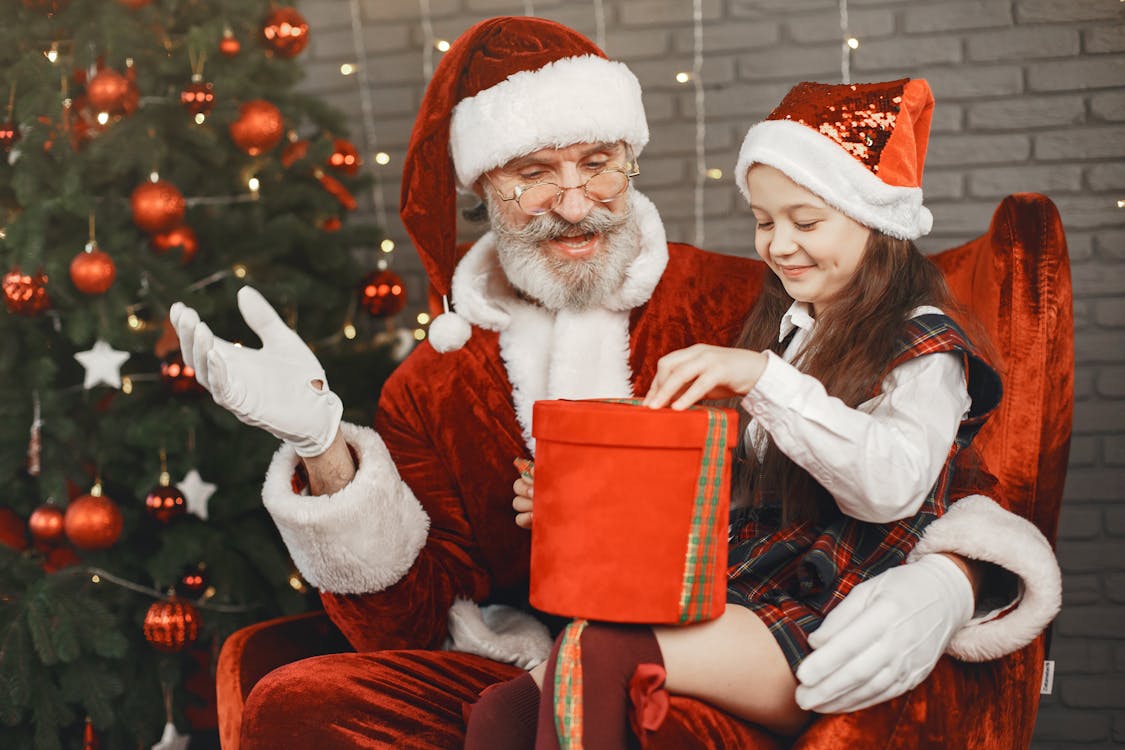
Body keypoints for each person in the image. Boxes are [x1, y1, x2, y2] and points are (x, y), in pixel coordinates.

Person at [168, 17, 1061, 748]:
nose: (572, 200)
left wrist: (951, 584)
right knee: (309, 702)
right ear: (482, 187)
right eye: (531, 173)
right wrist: (322, 445)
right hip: (541, 656)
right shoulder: (432, 384)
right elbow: (410, 621)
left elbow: (945, 466)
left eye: (596, 162)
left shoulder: (746, 298)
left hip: (742, 638)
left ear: (629, 162)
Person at [469, 77, 1007, 747]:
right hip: (735, 589)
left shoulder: (924, 343)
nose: (779, 245)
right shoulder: (789, 327)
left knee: (597, 651)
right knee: (502, 711)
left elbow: (892, 486)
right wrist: (577, 498)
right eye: (763, 221)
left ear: (878, 221)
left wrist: (761, 376)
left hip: (822, 617)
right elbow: (730, 491)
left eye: (805, 221)